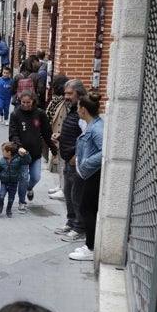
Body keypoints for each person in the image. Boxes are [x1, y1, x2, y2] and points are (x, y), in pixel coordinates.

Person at [8, 90, 58, 213]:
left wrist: (53, 148)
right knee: (23, 178)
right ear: (20, 101)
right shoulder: (15, 114)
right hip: (22, 154)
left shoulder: (40, 114)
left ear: (33, 101)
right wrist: (19, 146)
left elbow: (46, 133)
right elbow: (13, 134)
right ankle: (21, 202)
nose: (26, 105)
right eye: (23, 102)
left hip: (36, 153)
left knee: (35, 177)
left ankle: (29, 188)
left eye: (28, 102)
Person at [69, 92, 104, 262]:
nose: (77, 109)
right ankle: (90, 244)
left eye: (78, 107)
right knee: (86, 208)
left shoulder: (97, 128)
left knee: (87, 210)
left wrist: (86, 163)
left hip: (93, 175)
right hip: (89, 174)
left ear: (83, 109)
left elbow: (104, 151)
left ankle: (90, 247)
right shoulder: (92, 125)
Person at [52, 80, 87, 243]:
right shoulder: (72, 109)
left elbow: (86, 137)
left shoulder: (83, 111)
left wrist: (77, 156)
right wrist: (61, 136)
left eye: (69, 94)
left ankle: (80, 228)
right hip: (67, 159)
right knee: (68, 192)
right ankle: (71, 222)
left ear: (78, 94)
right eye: (65, 93)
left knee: (77, 195)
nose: (66, 97)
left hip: (75, 161)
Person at [45, 75, 69, 199]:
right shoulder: (56, 100)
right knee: (60, 163)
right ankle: (60, 186)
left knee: (63, 164)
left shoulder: (65, 102)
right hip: (56, 136)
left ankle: (63, 189)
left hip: (61, 137)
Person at [0, 142, 31, 218]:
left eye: (3, 151)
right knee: (2, 195)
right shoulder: (2, 160)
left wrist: (25, 154)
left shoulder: (18, 159)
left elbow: (27, 160)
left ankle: (9, 210)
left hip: (13, 183)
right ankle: (0, 206)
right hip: (4, 183)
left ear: (9, 153)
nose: (2, 153)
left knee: (11, 199)